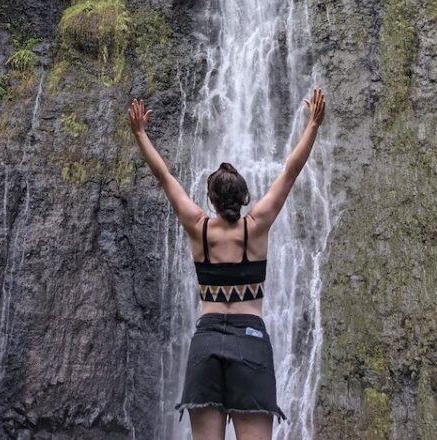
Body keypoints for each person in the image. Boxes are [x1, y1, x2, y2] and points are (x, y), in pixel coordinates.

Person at [128, 88, 327, 440]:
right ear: (245, 197)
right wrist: (312, 124)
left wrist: (141, 134)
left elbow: (165, 178)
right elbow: (292, 171)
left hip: (206, 345)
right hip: (249, 343)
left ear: (211, 200)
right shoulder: (257, 226)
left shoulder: (198, 227)